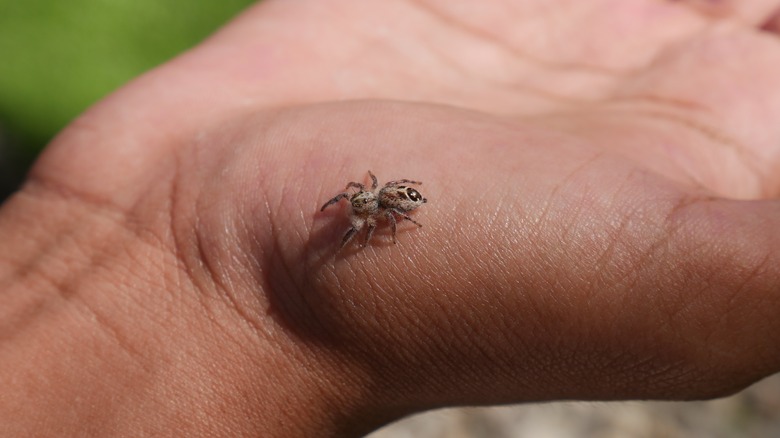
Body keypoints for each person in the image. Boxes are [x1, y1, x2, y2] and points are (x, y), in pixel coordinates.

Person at [1, 0, 779, 436]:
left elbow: (371, 214)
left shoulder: (373, 214)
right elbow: (362, 208)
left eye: (364, 204)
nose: (359, 208)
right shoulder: (365, 208)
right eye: (364, 203)